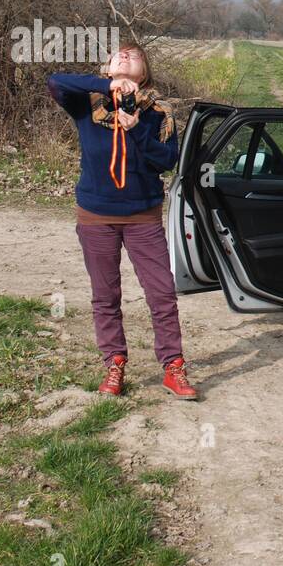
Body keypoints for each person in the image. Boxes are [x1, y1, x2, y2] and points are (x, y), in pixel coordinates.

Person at [46, 44, 197, 400]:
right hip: (96, 215)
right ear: (108, 67)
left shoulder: (159, 112)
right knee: (105, 295)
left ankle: (173, 367)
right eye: (118, 55)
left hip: (142, 215)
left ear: (144, 73)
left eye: (134, 56)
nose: (126, 58)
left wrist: (136, 131)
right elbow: (55, 81)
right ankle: (114, 364)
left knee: (161, 293)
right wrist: (105, 87)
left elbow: (167, 161)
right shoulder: (88, 103)